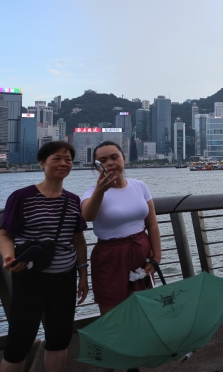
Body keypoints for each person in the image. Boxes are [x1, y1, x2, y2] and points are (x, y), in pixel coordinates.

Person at [0, 141, 88, 372]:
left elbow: (78, 240)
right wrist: (9, 257)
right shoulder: (22, 197)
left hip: (64, 278)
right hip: (30, 277)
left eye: (68, 159)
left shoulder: (73, 201)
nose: (64, 163)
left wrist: (83, 275)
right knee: (19, 341)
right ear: (42, 163)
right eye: (56, 158)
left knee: (60, 338)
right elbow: (5, 236)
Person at [81, 141, 162, 328]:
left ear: (123, 159)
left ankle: (143, 344)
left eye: (114, 157)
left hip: (141, 251)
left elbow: (152, 224)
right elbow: (87, 216)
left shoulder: (139, 186)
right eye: (103, 160)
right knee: (113, 314)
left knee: (145, 307)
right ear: (97, 167)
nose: (110, 163)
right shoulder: (91, 193)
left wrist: (156, 258)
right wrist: (100, 191)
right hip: (110, 256)